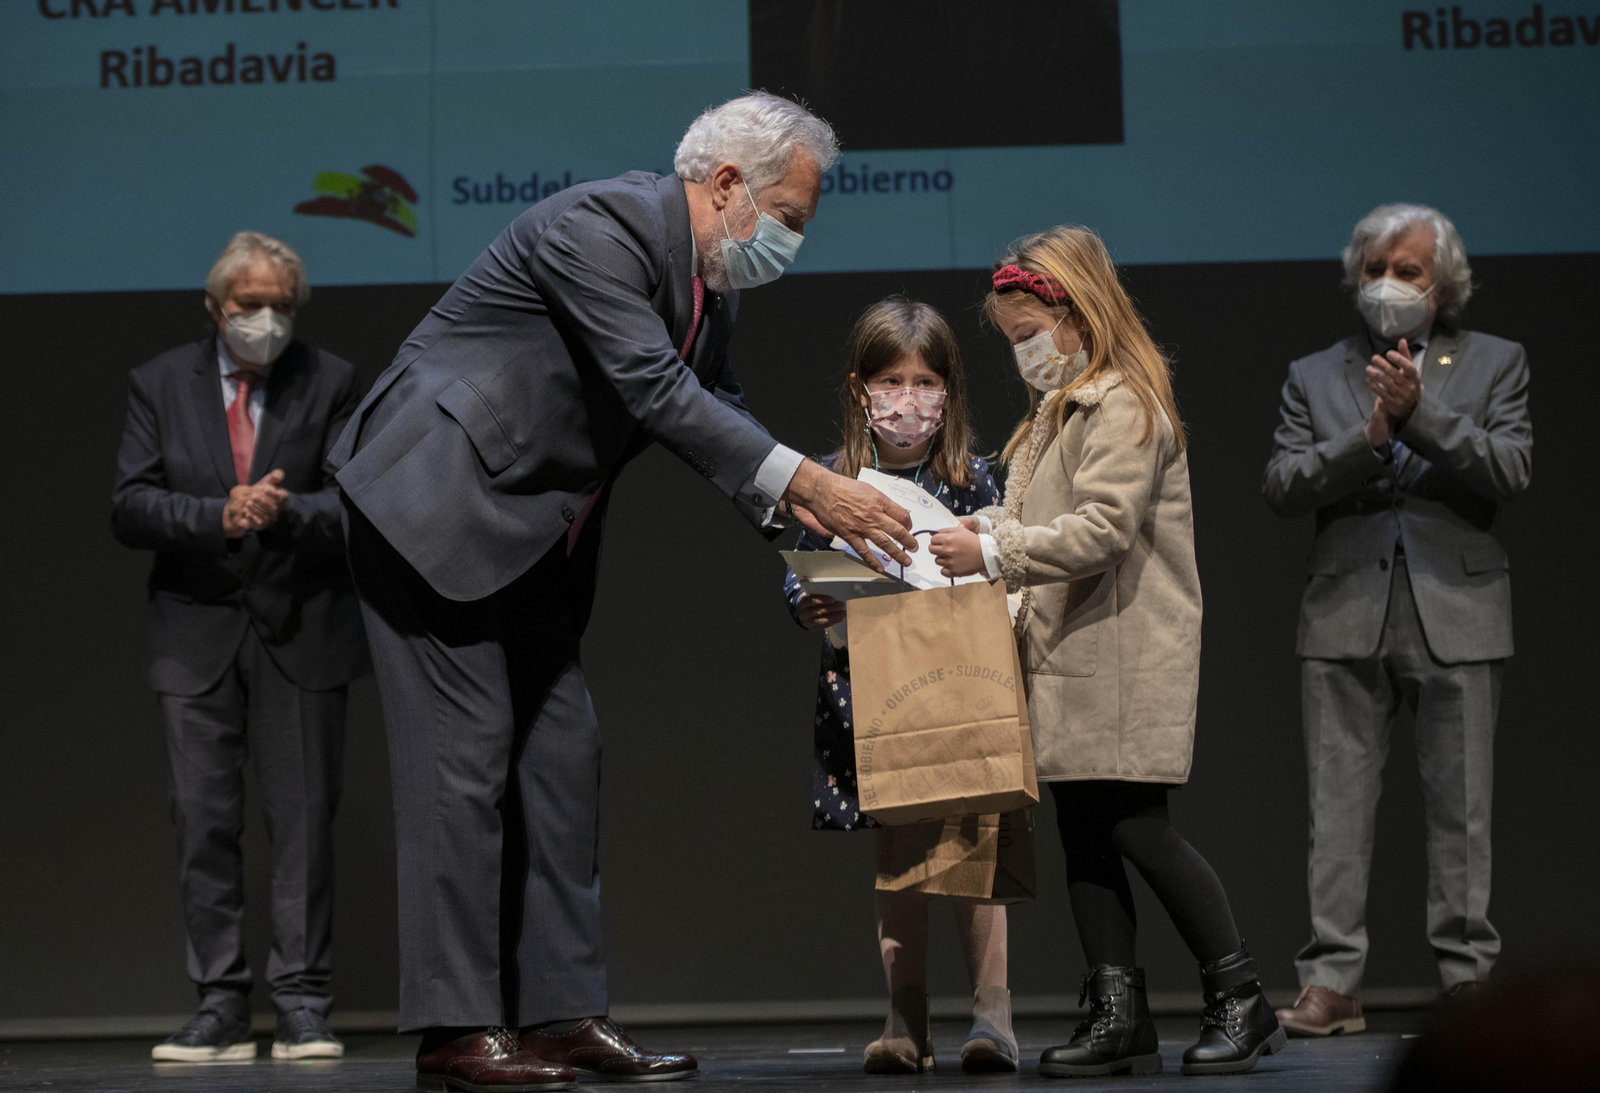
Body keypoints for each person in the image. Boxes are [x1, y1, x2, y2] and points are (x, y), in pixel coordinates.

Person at [327, 93, 919, 1091]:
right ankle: (455, 1030)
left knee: (563, 754)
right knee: (461, 760)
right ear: (730, 184)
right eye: (793, 216)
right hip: (434, 500)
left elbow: (715, 410)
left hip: (530, 533)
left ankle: (559, 1015)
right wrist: (808, 479)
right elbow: (652, 387)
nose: (793, 243)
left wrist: (814, 538)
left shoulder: (713, 283)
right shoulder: (593, 224)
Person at [930, 226, 1285, 1078]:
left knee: (1138, 826)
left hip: (1123, 654)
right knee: (1086, 832)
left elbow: (1103, 528)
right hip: (1076, 651)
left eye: (1026, 336)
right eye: (1011, 341)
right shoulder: (1061, 412)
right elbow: (1038, 514)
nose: (1022, 355)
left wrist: (993, 553)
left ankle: (1241, 995)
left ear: (1076, 314)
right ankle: (1119, 1009)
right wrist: (976, 528)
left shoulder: (1121, 401)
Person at [1263, 204, 1532, 1036]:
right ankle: (1332, 981)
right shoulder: (1315, 372)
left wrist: (1423, 415)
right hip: (1345, 610)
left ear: (1442, 283)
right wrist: (1371, 437)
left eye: (1408, 270)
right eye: (1376, 267)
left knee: (1462, 810)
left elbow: (1510, 469)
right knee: (1336, 809)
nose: (1389, 283)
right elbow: (1282, 484)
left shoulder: (1494, 361)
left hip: (1459, 608)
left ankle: (1467, 980)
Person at [111, 231, 367, 1063]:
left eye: (281, 306)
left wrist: (281, 513)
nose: (265, 320)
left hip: (302, 631)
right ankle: (219, 1004)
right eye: (249, 305)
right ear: (216, 307)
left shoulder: (330, 382)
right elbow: (132, 505)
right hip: (195, 632)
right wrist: (220, 514)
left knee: (302, 826)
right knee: (202, 823)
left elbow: (357, 509)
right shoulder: (159, 383)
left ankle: (301, 1004)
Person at [781, 297, 1012, 1074]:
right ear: (860, 389)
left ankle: (993, 1015)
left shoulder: (977, 480)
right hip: (872, 691)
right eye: (889, 381)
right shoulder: (837, 482)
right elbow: (800, 568)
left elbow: (1010, 563)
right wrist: (806, 601)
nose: (906, 400)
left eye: (923, 382)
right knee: (901, 854)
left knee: (974, 850)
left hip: (964, 685)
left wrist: (976, 554)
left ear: (948, 392)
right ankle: (904, 1017)